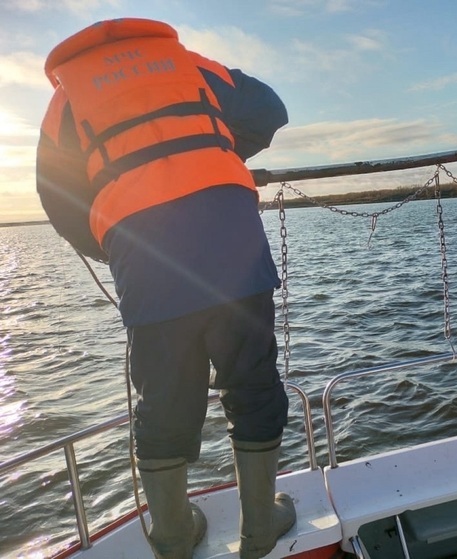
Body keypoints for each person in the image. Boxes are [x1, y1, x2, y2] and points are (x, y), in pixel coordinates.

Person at [36, 18, 295, 559]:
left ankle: (173, 535)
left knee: (163, 398)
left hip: (146, 258)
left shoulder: (65, 102)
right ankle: (259, 527)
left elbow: (58, 197)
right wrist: (218, 148)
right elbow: (271, 111)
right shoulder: (192, 64)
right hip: (232, 243)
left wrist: (115, 242)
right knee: (252, 382)